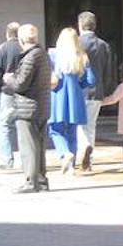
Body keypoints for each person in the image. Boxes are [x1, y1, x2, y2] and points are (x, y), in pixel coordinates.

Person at [1, 23, 52, 193]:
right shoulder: (42, 54)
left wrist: (9, 79)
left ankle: (31, 182)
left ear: (22, 39)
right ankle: (41, 180)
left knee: (28, 146)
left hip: (27, 108)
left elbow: (21, 84)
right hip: (41, 106)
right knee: (39, 145)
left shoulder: (30, 57)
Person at [48, 26, 95, 176]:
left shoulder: (53, 55)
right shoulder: (82, 56)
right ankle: (71, 167)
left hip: (58, 95)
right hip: (75, 97)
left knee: (55, 129)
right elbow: (91, 79)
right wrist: (79, 85)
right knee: (72, 133)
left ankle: (64, 153)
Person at [76, 11, 114, 172]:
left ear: (79, 25)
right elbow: (109, 71)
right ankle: (88, 158)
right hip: (97, 91)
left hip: (78, 90)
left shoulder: (76, 43)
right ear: (95, 25)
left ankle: (83, 149)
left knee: (78, 124)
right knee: (91, 125)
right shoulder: (103, 45)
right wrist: (106, 90)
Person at [0, 21, 23, 170]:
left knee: (5, 125)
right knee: (24, 125)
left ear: (7, 33)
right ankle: (26, 158)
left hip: (8, 92)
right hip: (24, 92)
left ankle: (6, 160)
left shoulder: (3, 48)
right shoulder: (25, 48)